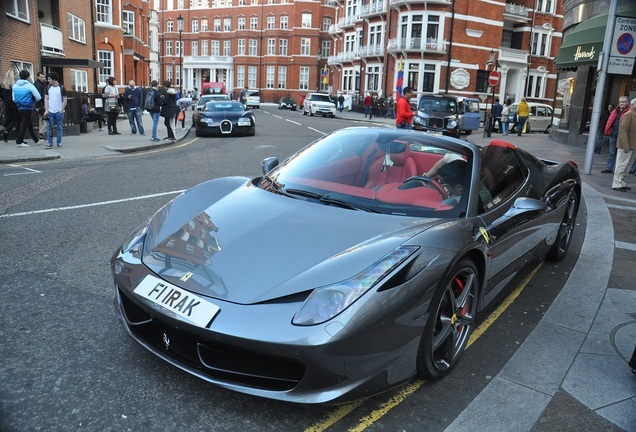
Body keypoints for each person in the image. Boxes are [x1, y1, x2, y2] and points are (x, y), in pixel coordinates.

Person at [611, 97, 636, 192]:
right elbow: (623, 131)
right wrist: (625, 145)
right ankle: (617, 184)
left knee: (627, 165)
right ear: (632, 105)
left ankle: (621, 182)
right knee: (621, 165)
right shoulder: (628, 115)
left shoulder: (633, 115)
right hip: (626, 145)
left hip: (632, 145)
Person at [12, 69, 41, 147]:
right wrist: (32, 100)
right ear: (28, 77)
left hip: (18, 107)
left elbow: (14, 98)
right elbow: (38, 97)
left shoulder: (15, 86)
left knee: (29, 123)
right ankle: (19, 141)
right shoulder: (30, 86)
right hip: (28, 107)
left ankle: (36, 140)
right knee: (25, 124)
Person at [602, 96, 630, 173]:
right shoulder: (615, 111)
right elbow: (609, 121)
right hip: (613, 134)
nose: (622, 103)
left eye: (623, 102)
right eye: (620, 102)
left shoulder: (629, 112)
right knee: (612, 152)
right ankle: (609, 168)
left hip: (622, 136)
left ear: (627, 103)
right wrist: (607, 131)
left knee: (620, 154)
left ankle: (617, 169)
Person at [43, 71, 67, 148]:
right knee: (48, 127)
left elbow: (65, 99)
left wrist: (61, 109)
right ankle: (50, 143)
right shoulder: (48, 87)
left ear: (54, 79)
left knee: (59, 127)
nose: (48, 81)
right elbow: (46, 99)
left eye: (49, 79)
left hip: (59, 111)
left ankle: (59, 142)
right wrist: (46, 110)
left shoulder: (62, 88)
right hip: (50, 111)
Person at [1, 69, 20, 143]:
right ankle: (18, 138)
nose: (17, 76)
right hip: (14, 103)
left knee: (13, 119)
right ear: (13, 76)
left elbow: (1, 94)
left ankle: (6, 132)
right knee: (18, 120)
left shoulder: (3, 84)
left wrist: (5, 99)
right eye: (16, 75)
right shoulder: (14, 84)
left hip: (7, 103)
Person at [34, 72, 47, 139]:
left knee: (41, 120)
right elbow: (39, 96)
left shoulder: (39, 84)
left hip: (38, 105)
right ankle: (41, 132)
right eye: (41, 77)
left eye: (43, 77)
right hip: (41, 104)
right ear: (38, 77)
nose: (43, 78)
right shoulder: (38, 85)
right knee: (47, 119)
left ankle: (41, 135)